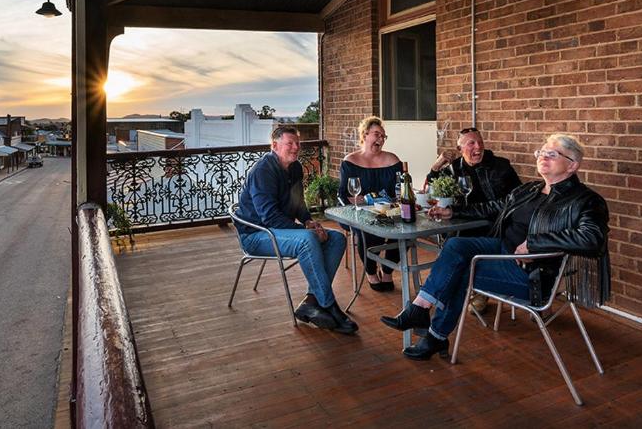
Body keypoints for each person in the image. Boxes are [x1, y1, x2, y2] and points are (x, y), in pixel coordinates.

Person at [381, 133, 610, 361]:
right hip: (502, 250)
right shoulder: (530, 189)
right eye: (542, 152)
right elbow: (494, 206)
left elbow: (592, 238)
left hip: (531, 273)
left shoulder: (586, 200)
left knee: (460, 270)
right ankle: (421, 310)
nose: (543, 156)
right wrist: (454, 211)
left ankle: (434, 333)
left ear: (573, 165)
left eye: (553, 153)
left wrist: (534, 243)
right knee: (455, 246)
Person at [236, 125, 358, 335]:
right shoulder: (262, 172)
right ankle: (329, 305)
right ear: (275, 145)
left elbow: (298, 203)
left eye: (297, 143)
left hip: (278, 231)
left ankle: (311, 301)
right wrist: (304, 230)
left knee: (336, 238)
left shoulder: (294, 168)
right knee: (307, 240)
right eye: (289, 143)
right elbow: (269, 217)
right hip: (256, 235)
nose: (295, 148)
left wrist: (309, 221)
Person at [424, 127, 522, 312]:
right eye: (471, 143)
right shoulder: (454, 168)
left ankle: (478, 291)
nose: (478, 147)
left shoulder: (501, 166)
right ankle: (444, 294)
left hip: (496, 224)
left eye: (480, 142)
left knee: (460, 248)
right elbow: (432, 187)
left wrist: (458, 211)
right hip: (464, 223)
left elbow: (513, 201)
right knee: (452, 247)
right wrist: (438, 164)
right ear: (460, 148)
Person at [338, 116, 402, 291]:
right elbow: (344, 194)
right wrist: (357, 203)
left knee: (406, 232)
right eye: (377, 134)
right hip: (358, 212)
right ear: (365, 135)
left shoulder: (393, 160)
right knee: (367, 232)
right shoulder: (350, 161)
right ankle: (371, 272)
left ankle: (387, 270)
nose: (380, 139)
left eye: (383, 136)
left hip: (388, 211)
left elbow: (400, 189)